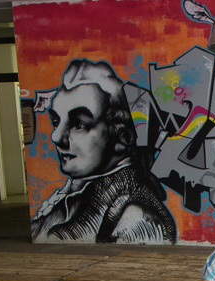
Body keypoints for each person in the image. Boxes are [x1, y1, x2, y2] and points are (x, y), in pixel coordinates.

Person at [31, 59, 176, 243]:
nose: (56, 137)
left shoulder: (136, 217)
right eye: (55, 122)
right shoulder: (70, 199)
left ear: (121, 139)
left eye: (79, 124)